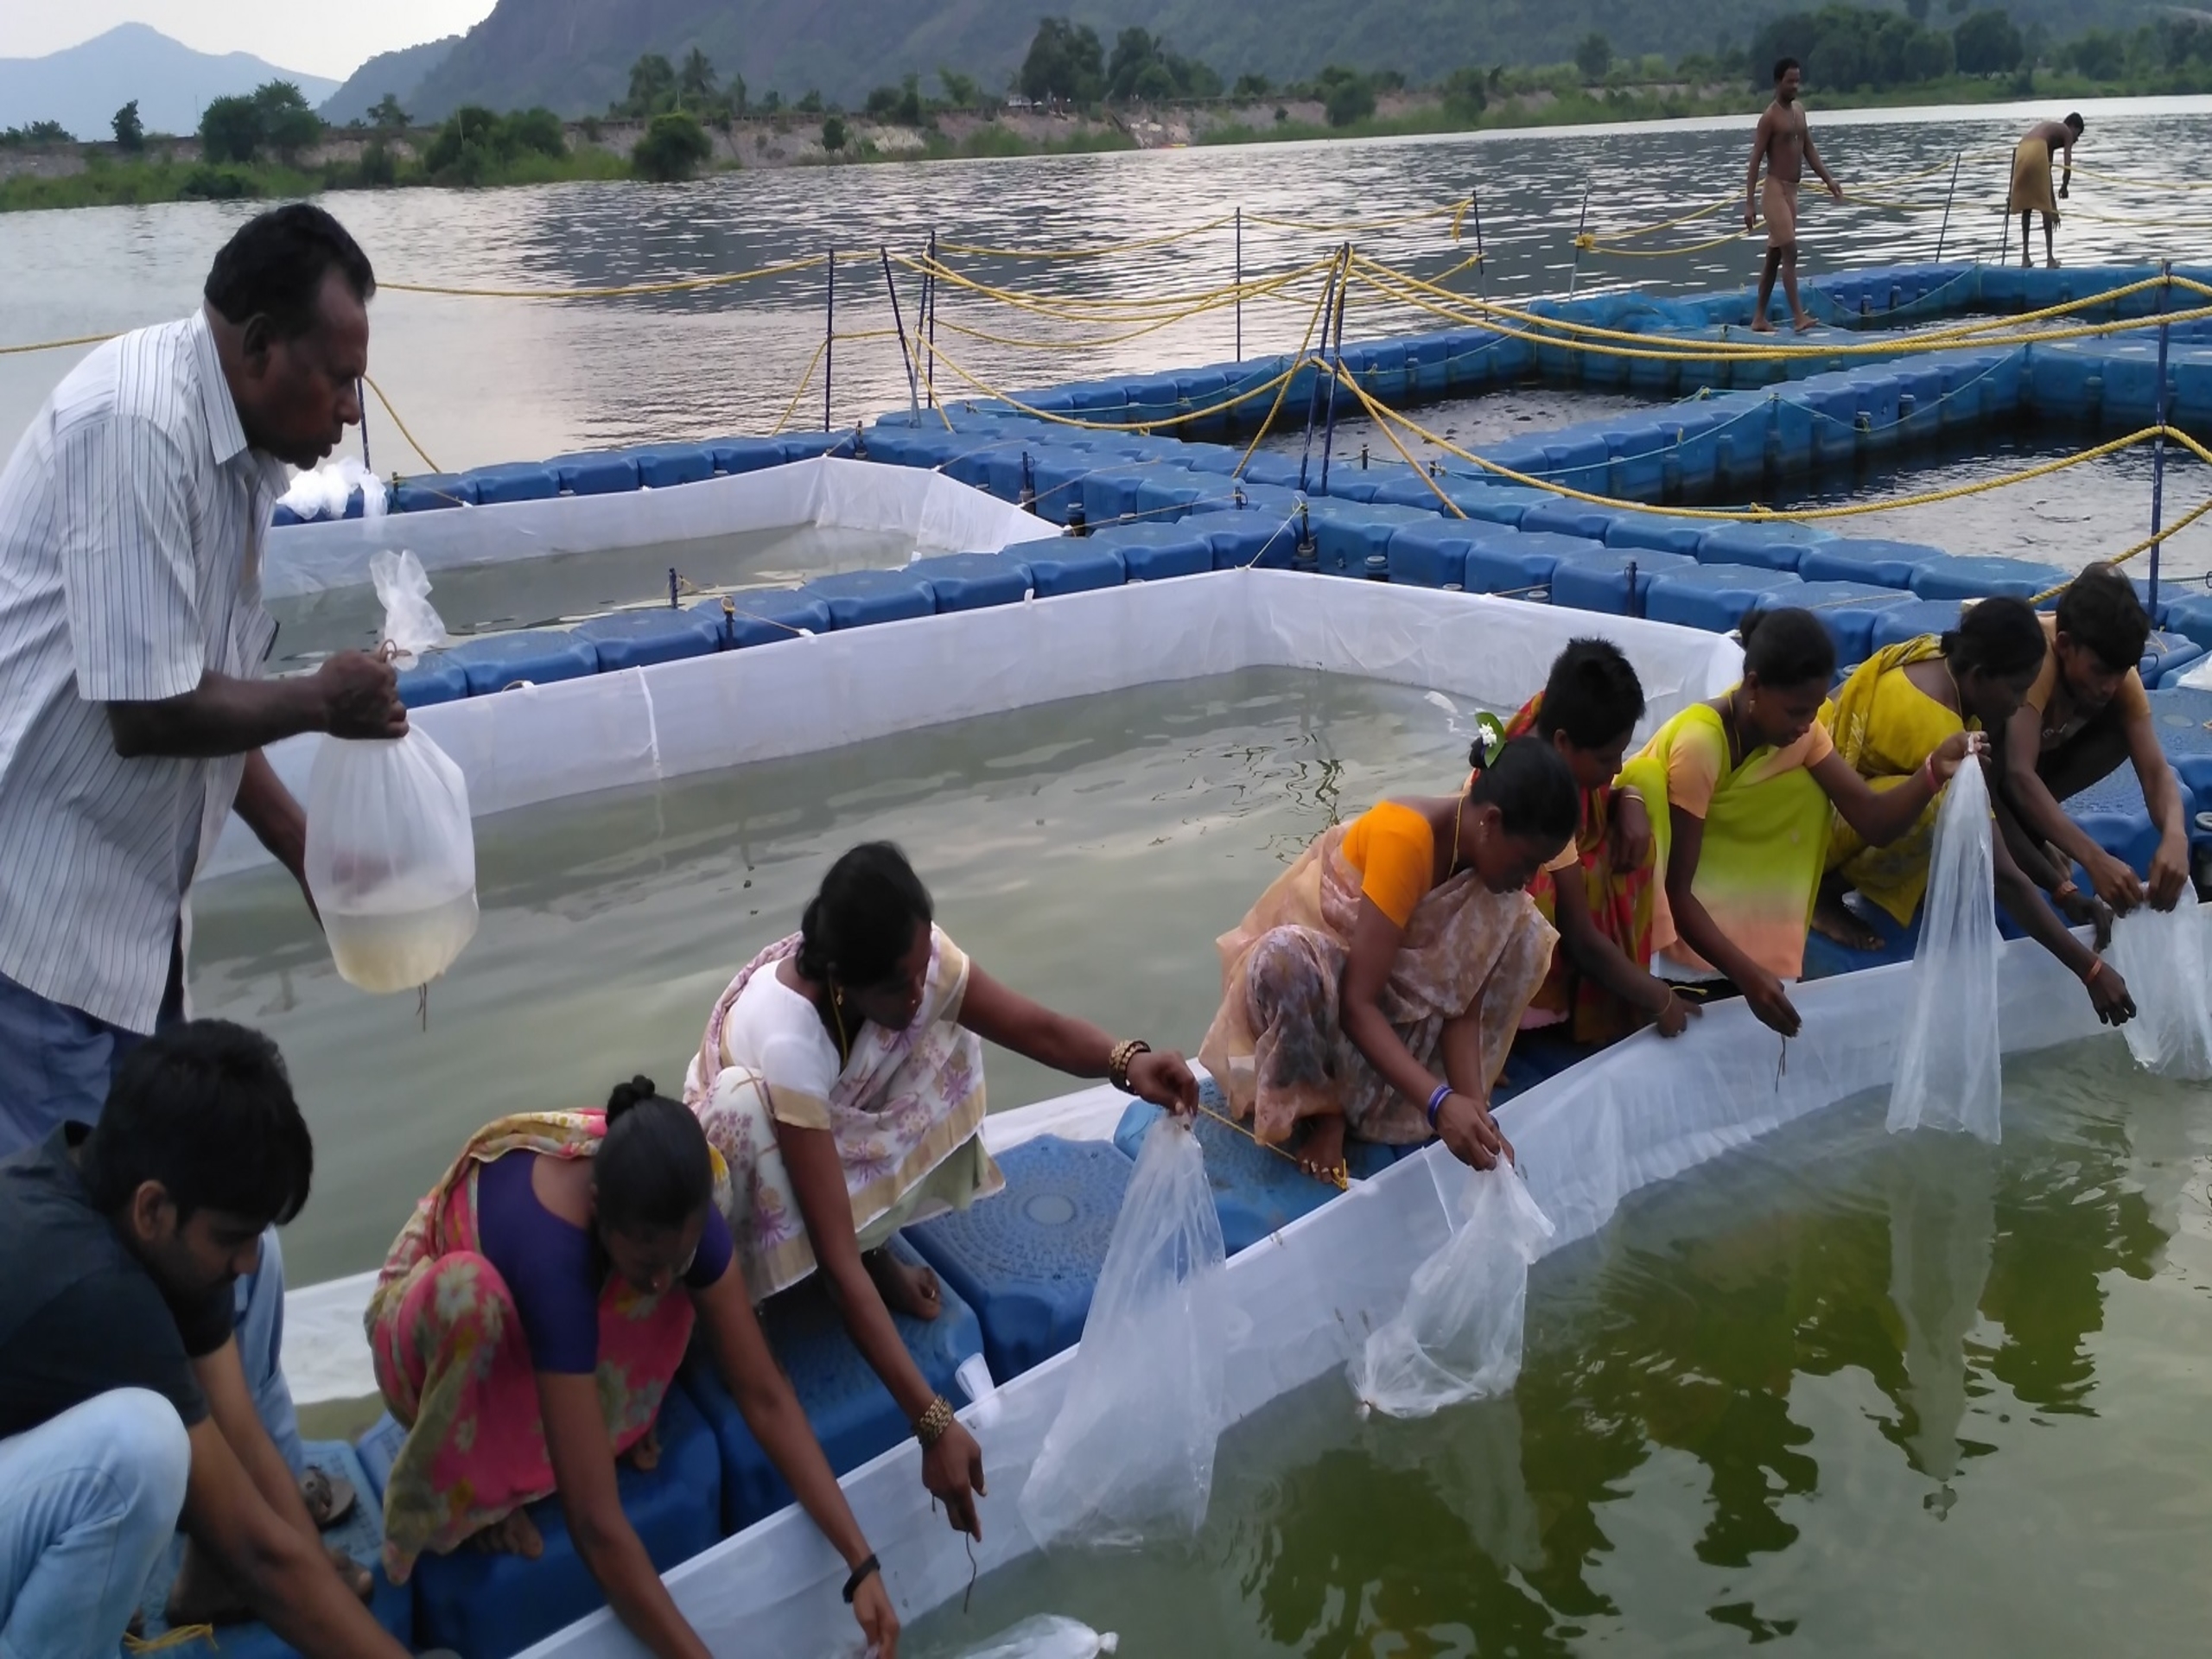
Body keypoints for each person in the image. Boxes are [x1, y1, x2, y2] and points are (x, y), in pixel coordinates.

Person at [0, 200, 404, 1155]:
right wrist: (319, 701)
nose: (351, 410)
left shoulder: (241, 457)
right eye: (340, 381)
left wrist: (302, 843)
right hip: (41, 937)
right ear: (262, 346)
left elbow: (201, 684)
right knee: (66, 1254)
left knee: (153, 1215)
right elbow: (148, 710)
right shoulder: (139, 428)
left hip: (132, 932)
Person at [684, 842, 1198, 1543]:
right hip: (755, 1152)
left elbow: (1035, 1028)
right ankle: (761, 1297)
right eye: (898, 983)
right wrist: (932, 1422)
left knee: (947, 1032)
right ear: (841, 981)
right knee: (753, 1125)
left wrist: (1128, 1062)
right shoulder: (788, 1038)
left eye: (920, 965)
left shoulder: (913, 973)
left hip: (832, 1128)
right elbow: (831, 1261)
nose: (918, 988)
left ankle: (877, 1252)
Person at [367, 1078, 899, 1659]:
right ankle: (480, 1490)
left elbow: (763, 1392)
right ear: (599, 1212)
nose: (656, 1281)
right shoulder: (554, 1263)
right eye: (645, 1260)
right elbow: (594, 1523)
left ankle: (580, 1421)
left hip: (570, 1299)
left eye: (677, 1255)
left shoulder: (678, 1217)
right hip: (438, 1330)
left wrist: (861, 1563)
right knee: (473, 1302)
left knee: (681, 1288)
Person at [0, 1020, 412, 1659]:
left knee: (247, 1270)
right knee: (140, 1451)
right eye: (230, 1237)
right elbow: (253, 1550)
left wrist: (306, 1557)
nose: (245, 1261)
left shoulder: (114, 1191)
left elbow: (239, 1433)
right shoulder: (92, 1288)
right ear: (151, 1209)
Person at [1198, 735, 1579, 1181]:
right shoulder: (1408, 839)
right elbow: (1358, 1003)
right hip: (1334, 997)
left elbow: (1461, 1003)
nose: (1529, 878)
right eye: (1528, 861)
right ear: (1491, 823)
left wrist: (1475, 1113)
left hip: (1384, 1011)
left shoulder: (1486, 871)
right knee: (1284, 963)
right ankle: (1326, 1112)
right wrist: (1438, 1105)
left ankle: (1392, 1097)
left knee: (1526, 930)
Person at [1619, 608, 1979, 1038]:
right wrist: (1750, 977)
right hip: (1651, 894)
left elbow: (1874, 821)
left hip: (1712, 886)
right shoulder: (1702, 745)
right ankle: (1683, 972)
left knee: (1805, 785)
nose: (1806, 725)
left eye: (1812, 711)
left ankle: (1750, 945)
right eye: (1795, 712)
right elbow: (1678, 893)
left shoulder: (1800, 732)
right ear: (1754, 685)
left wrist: (1932, 772)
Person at [1817, 596, 2138, 1027]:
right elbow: (2001, 871)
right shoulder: (1934, 719)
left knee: (1958, 805)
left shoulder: (1947, 664)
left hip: (1841, 805)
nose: (2020, 703)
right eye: (2017, 689)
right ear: (1981, 675)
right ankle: (1821, 892)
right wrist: (2090, 969)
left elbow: (1992, 809)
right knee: (1939, 811)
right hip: (1806, 829)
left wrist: (2063, 892)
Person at [1503, 639, 1696, 1045]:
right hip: (1526, 884)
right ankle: (1523, 1016)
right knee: (1536, 895)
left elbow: (1628, 776)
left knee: (1635, 844)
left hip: (1568, 849)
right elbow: (1579, 934)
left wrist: (1629, 796)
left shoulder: (1555, 716)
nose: (1619, 767)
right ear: (1561, 743)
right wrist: (1657, 997)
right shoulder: (1535, 792)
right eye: (1608, 759)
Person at [1997, 563, 2190, 916]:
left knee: (2123, 728)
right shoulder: (2036, 655)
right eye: (2100, 671)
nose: (2109, 686)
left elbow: (2156, 773)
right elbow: (2018, 773)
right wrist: (2093, 857)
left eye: (2120, 673)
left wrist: (2176, 835)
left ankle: (2032, 830)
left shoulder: (2118, 680)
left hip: (2039, 766)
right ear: (2065, 644)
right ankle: (2025, 835)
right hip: (1991, 769)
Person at [1745, 57, 1845, 334]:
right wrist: (1749, 204)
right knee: (1790, 250)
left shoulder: (1799, 111)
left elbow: (1809, 149)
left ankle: (1759, 318)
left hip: (1793, 192)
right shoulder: (1769, 118)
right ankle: (1799, 317)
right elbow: (1754, 161)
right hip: (1774, 190)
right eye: (1790, 81)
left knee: (1774, 257)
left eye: (1797, 80)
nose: (1795, 86)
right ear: (1778, 82)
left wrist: (1829, 180)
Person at [2009, 114, 2083, 269]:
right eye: (2078, 133)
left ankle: (2025, 257)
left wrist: (2054, 208)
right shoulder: (2066, 132)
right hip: (2035, 148)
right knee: (2044, 209)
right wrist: (2065, 186)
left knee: (2027, 207)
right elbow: (2067, 166)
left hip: (2022, 148)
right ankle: (2050, 259)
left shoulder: (2048, 140)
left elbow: (2046, 179)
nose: (2076, 139)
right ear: (2072, 126)